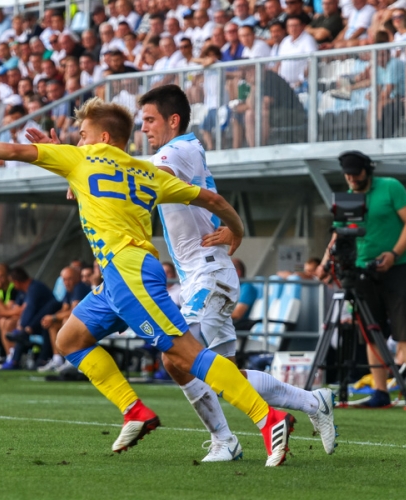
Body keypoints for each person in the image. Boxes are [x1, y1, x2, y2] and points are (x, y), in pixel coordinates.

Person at [0, 97, 296, 467]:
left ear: (103, 138)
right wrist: (237, 231)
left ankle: (268, 418)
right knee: (69, 339)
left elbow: (11, 152)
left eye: (83, 135)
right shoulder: (146, 170)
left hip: (130, 272)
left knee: (184, 353)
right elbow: (210, 198)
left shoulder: (82, 158)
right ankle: (135, 410)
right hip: (118, 275)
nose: (79, 141)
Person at [139, 84, 336, 459]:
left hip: (207, 274)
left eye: (150, 120)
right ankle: (313, 402)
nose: (144, 128)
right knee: (225, 373)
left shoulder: (176, 150)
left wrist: (94, 167)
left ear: (173, 120)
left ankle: (225, 440)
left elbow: (151, 176)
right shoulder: (186, 150)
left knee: (175, 356)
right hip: (207, 272)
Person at [316, 151, 406, 409]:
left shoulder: (390, 187)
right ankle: (381, 390)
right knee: (370, 330)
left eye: (356, 174)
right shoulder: (347, 197)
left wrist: (394, 253)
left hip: (396, 268)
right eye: (347, 175)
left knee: (405, 328)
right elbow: (339, 235)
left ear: (367, 170)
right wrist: (326, 263)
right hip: (359, 271)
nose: (352, 180)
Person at [38, 266, 91, 372]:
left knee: (66, 321)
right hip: (82, 324)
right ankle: (57, 359)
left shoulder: (79, 288)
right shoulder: (69, 290)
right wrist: (51, 319)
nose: (66, 282)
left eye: (69, 279)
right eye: (64, 279)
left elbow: (74, 312)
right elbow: (65, 309)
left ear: (77, 278)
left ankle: (71, 360)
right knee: (53, 324)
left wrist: (53, 317)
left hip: (89, 324)